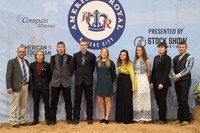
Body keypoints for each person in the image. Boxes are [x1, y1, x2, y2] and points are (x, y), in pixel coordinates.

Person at [71, 39, 96, 125]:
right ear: (80, 45)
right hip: (78, 81)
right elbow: (74, 68)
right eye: (82, 45)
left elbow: (92, 68)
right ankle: (76, 118)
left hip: (88, 80)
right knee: (77, 100)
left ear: (87, 46)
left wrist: (87, 75)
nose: (83, 46)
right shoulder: (76, 55)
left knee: (89, 100)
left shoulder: (92, 56)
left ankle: (89, 118)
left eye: (85, 45)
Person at [6, 46, 30, 128]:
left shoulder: (26, 61)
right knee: (14, 105)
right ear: (17, 52)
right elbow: (8, 75)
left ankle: (22, 120)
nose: (22, 53)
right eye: (20, 51)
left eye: (23, 52)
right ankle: (13, 121)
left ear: (25, 53)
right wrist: (9, 86)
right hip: (16, 87)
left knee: (23, 105)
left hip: (25, 86)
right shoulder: (12, 62)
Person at [171, 41, 194, 126]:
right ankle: (179, 118)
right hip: (177, 81)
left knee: (184, 99)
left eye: (183, 47)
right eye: (179, 47)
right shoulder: (175, 57)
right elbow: (172, 67)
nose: (181, 48)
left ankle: (186, 119)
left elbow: (188, 69)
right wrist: (173, 75)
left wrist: (178, 75)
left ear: (186, 48)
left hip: (185, 80)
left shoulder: (190, 57)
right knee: (179, 99)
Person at [50, 41, 73, 125]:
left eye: (62, 47)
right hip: (55, 82)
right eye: (59, 47)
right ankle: (53, 119)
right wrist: (57, 75)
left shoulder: (70, 58)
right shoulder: (53, 58)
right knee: (53, 101)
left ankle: (69, 118)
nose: (60, 48)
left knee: (68, 101)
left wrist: (65, 75)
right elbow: (52, 69)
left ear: (64, 48)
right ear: (57, 48)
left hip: (66, 82)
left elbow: (71, 70)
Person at [150, 42, 171, 124]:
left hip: (163, 83)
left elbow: (166, 71)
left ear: (165, 49)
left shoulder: (167, 58)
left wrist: (161, 83)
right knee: (158, 100)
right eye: (159, 47)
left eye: (162, 47)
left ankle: (163, 119)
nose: (160, 49)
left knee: (162, 101)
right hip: (155, 83)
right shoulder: (156, 58)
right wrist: (152, 81)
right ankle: (160, 118)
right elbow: (153, 71)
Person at [29, 50, 51, 125]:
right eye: (38, 54)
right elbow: (30, 76)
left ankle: (47, 118)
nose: (39, 56)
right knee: (36, 104)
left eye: (41, 54)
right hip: (35, 87)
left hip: (45, 87)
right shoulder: (31, 65)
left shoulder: (47, 65)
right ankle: (35, 119)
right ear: (36, 56)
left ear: (43, 56)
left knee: (47, 103)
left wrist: (45, 83)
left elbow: (49, 76)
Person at [115, 49, 136, 124]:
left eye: (124, 55)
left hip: (127, 82)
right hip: (120, 83)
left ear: (127, 56)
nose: (122, 56)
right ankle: (119, 118)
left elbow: (132, 75)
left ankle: (126, 119)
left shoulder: (129, 63)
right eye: (121, 54)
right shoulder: (119, 63)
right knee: (120, 100)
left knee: (126, 100)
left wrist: (134, 86)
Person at [96, 48, 116, 124]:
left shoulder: (111, 63)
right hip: (99, 83)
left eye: (105, 52)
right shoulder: (97, 63)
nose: (104, 53)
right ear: (100, 53)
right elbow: (98, 73)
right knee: (100, 100)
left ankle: (107, 118)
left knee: (107, 101)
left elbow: (113, 75)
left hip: (107, 84)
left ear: (107, 54)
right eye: (102, 52)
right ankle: (103, 117)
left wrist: (109, 82)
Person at [132, 45, 151, 123]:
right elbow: (133, 72)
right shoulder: (135, 61)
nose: (139, 51)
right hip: (136, 80)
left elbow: (149, 73)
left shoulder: (147, 61)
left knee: (144, 97)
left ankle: (143, 117)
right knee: (136, 97)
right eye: (137, 50)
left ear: (143, 51)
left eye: (140, 50)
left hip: (143, 80)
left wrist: (147, 81)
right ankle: (137, 117)